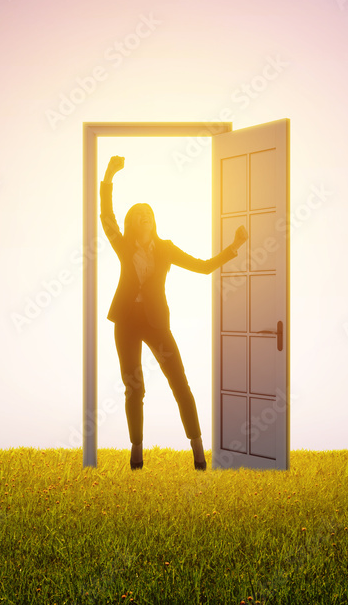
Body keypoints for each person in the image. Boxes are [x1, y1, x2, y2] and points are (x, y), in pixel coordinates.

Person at [100, 155, 248, 471]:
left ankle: (197, 449)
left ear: (154, 220)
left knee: (179, 383)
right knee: (134, 387)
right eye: (138, 214)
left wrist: (234, 247)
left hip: (156, 324)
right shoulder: (123, 246)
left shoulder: (166, 248)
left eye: (148, 213)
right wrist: (109, 177)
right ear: (131, 223)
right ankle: (136, 449)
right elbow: (106, 216)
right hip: (126, 322)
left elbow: (203, 267)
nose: (144, 216)